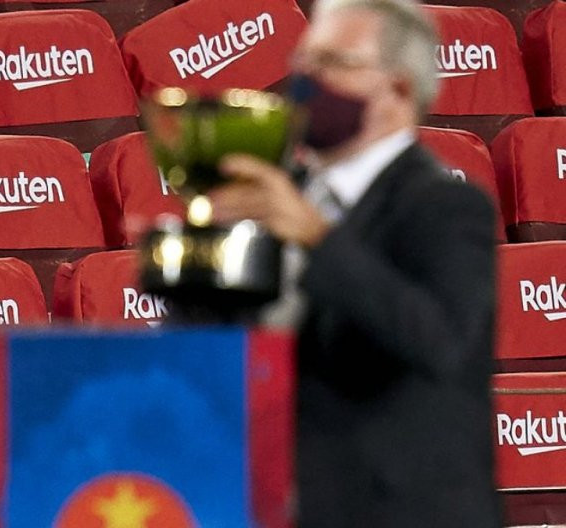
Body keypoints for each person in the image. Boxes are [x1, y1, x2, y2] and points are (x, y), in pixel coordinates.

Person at [208, 0, 501, 526]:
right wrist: (187, 266)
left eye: (335, 63)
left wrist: (317, 238)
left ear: (401, 88)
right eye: (305, 62)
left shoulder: (447, 207)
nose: (308, 81)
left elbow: (440, 341)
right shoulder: (277, 199)